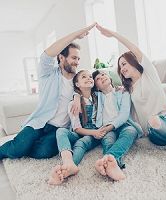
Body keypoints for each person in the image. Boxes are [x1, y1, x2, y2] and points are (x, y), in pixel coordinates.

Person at [95, 24, 166, 165]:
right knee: (154, 121)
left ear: (134, 62)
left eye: (125, 64)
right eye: (120, 67)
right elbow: (122, 107)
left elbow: (134, 48)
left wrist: (113, 34)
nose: (122, 68)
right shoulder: (126, 89)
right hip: (155, 129)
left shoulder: (149, 73)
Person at [0, 23, 96, 160]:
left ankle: (25, 145)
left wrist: (77, 96)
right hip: (40, 122)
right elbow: (46, 56)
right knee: (17, 149)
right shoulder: (48, 74)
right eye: (74, 58)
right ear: (61, 58)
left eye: (78, 59)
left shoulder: (78, 80)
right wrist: (75, 35)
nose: (77, 62)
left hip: (59, 129)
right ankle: (17, 147)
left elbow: (88, 89)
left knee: (44, 152)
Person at [48, 70, 107, 185]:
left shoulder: (100, 97)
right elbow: (76, 129)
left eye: (90, 77)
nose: (89, 78)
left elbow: (110, 92)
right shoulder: (73, 104)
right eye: (84, 77)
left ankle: (68, 168)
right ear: (77, 84)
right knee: (61, 131)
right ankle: (68, 162)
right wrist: (77, 97)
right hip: (80, 131)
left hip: (94, 133)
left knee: (81, 143)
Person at [92, 70, 143, 181]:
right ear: (96, 87)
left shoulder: (123, 91)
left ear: (110, 78)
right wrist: (76, 97)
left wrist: (109, 127)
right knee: (108, 141)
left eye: (103, 74)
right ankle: (113, 165)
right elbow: (80, 91)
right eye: (98, 79)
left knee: (131, 131)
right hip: (106, 128)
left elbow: (124, 114)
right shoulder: (96, 96)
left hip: (123, 124)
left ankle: (108, 158)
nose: (102, 77)